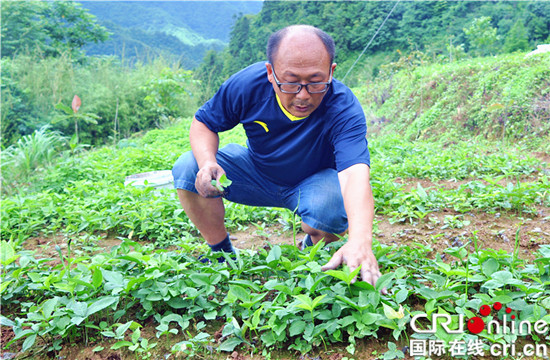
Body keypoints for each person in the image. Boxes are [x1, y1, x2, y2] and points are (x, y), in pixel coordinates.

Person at [172, 24, 382, 287]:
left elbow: (355, 177)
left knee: (331, 206)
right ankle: (222, 254)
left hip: (313, 183)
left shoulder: (343, 107)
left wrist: (360, 240)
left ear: (331, 72)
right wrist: (207, 163)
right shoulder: (248, 85)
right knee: (188, 167)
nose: (303, 95)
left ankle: (313, 246)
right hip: (257, 173)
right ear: (270, 73)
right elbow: (204, 123)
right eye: (291, 82)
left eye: (316, 82)